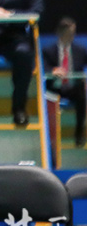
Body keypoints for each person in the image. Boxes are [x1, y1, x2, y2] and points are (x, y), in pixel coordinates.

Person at [44, 17, 86, 147]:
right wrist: (53, 70)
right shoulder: (49, 51)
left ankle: (79, 134)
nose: (71, 36)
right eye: (68, 33)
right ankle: (49, 137)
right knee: (47, 97)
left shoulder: (80, 51)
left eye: (73, 33)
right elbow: (43, 67)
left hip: (73, 88)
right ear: (60, 33)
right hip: (55, 87)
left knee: (82, 96)